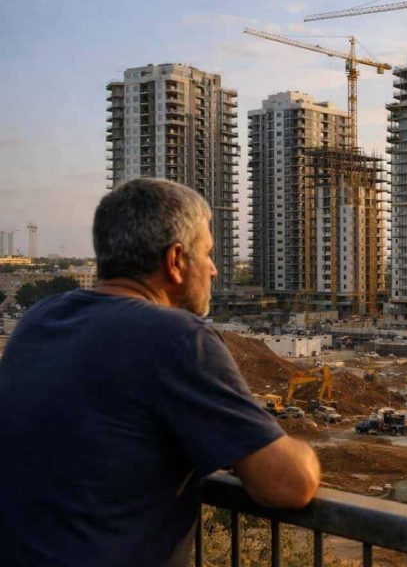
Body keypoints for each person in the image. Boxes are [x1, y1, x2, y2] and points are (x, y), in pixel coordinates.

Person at [0, 179, 320, 566]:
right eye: (208, 254)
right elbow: (288, 484)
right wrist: (307, 454)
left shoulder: (39, 320)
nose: (215, 270)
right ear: (176, 260)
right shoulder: (178, 336)